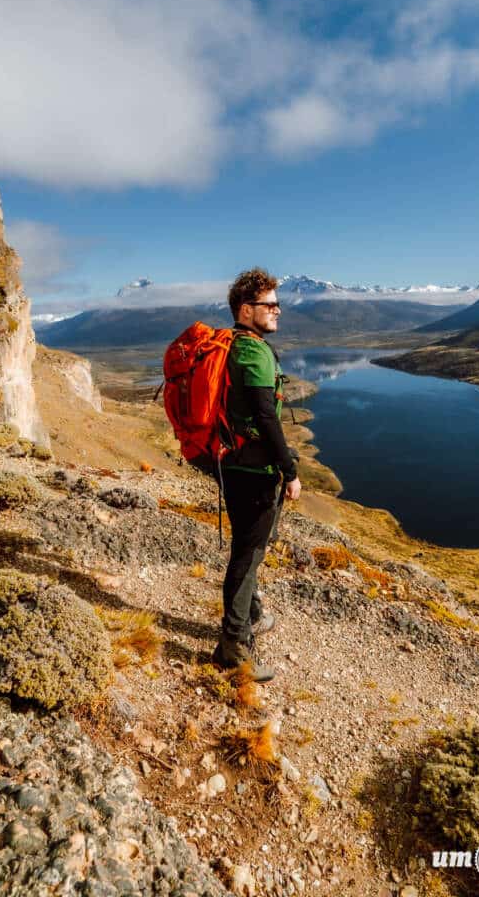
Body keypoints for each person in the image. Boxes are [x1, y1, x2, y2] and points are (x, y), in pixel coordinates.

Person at [211, 268, 302, 682]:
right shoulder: (253, 352)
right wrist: (291, 470)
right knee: (248, 555)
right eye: (270, 305)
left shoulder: (234, 343)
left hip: (234, 464)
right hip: (254, 470)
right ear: (246, 311)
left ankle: (253, 614)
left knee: (249, 546)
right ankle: (233, 646)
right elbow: (267, 417)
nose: (277, 311)